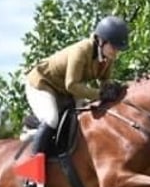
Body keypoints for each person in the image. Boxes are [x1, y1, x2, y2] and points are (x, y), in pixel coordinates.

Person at [24, 15, 130, 163]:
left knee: (83, 117)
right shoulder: (81, 50)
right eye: (113, 46)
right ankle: (33, 167)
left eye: (118, 49)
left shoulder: (107, 58)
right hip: (42, 83)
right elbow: (72, 85)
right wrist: (99, 94)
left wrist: (114, 90)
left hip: (65, 90)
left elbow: (105, 81)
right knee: (52, 119)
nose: (116, 52)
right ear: (101, 41)